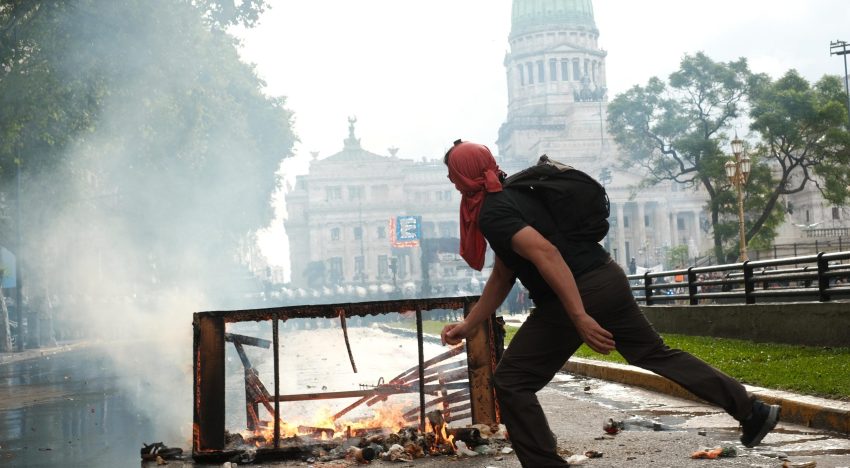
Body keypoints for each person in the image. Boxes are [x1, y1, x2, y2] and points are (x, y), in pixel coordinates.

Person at [439, 141, 780, 468]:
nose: (453, 183)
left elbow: (547, 254)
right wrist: (470, 325)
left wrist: (579, 316)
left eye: (454, 175)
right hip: (606, 277)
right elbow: (504, 273)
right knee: (655, 353)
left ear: (466, 175)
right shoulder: (516, 193)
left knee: (512, 380)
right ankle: (751, 411)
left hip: (576, 293)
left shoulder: (494, 211)